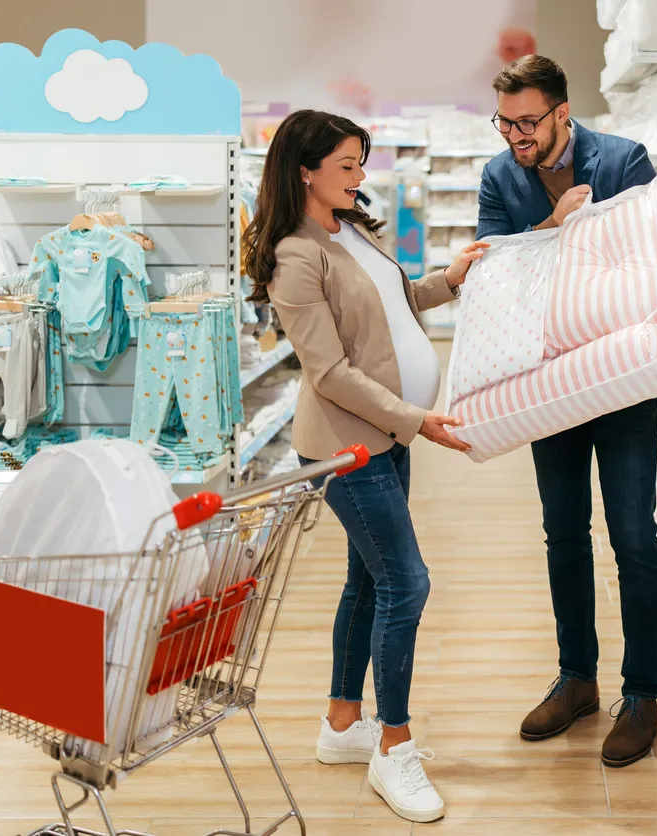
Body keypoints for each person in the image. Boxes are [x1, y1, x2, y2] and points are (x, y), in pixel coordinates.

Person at [243, 109, 487, 823]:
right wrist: (415, 419)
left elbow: (395, 309)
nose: (360, 177)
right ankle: (393, 746)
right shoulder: (295, 255)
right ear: (305, 171)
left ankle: (342, 724)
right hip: (349, 447)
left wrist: (448, 278)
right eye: (347, 165)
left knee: (367, 578)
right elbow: (330, 372)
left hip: (386, 440)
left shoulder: (351, 231)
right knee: (406, 583)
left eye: (360, 164)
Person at [476, 55, 657, 768]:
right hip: (544, 380)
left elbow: (647, 259)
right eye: (506, 122)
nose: (517, 136)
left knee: (633, 538)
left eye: (528, 121)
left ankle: (640, 693)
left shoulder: (624, 160)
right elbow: (493, 272)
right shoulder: (500, 175)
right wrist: (555, 228)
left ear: (562, 112)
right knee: (563, 533)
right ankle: (577, 678)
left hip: (619, 380)